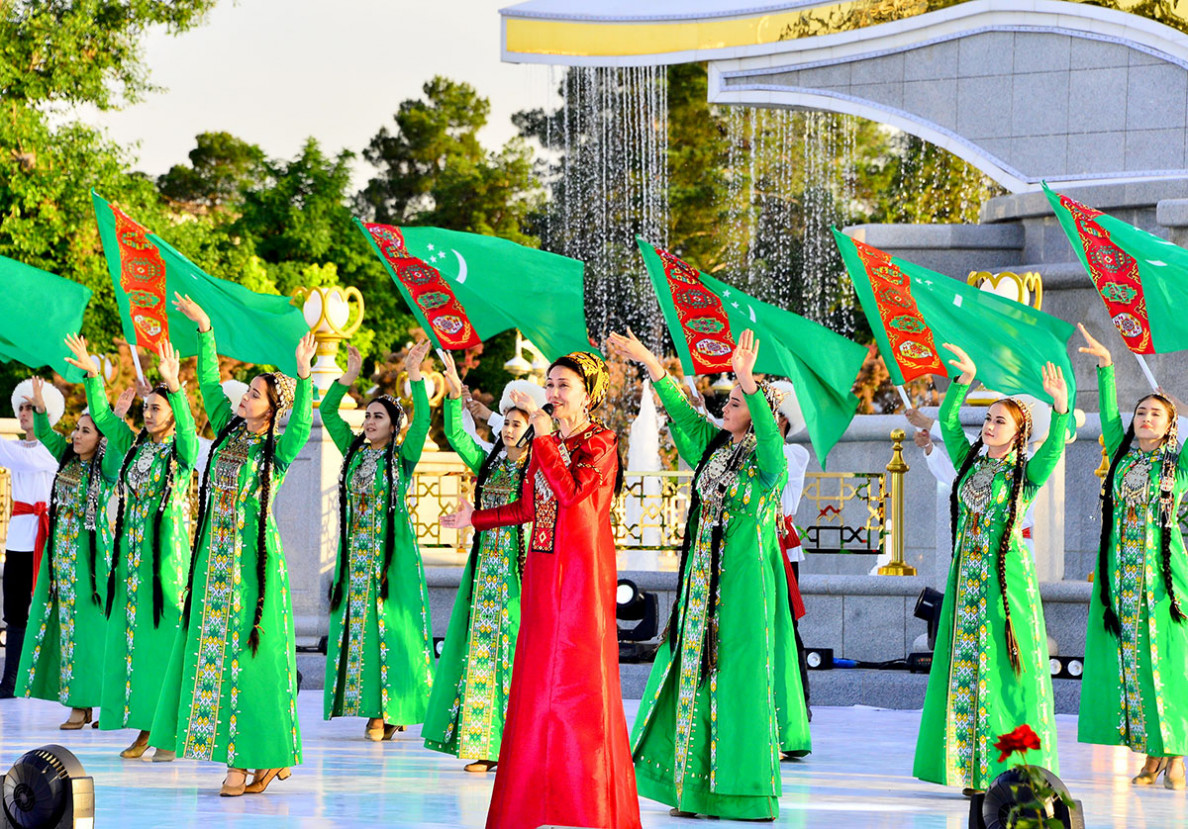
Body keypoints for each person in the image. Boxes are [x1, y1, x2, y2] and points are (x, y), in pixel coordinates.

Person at [609, 329, 809, 821]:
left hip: (742, 589)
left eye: (737, 400)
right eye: (731, 397)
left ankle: (739, 792)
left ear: (769, 416)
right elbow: (682, 412)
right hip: (700, 587)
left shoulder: (772, 462)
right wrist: (651, 364)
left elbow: (765, 435)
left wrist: (750, 381)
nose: (728, 404)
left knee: (735, 681)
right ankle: (692, 791)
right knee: (694, 677)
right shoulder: (716, 448)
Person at [441, 350, 641, 829]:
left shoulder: (601, 442)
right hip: (541, 574)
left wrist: (547, 443)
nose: (552, 394)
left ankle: (587, 806)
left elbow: (572, 494)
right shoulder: (545, 445)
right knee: (535, 690)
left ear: (589, 395)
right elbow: (527, 508)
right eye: (549, 384)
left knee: (578, 691)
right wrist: (475, 517)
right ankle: (534, 802)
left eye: (563, 386)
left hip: (581, 581)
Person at [149, 292, 316, 797]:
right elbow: (204, 385)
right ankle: (248, 757)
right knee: (212, 653)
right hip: (211, 563)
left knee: (252, 658)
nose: (244, 398)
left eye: (255, 396)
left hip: (254, 566)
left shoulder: (278, 448)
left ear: (273, 409)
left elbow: (304, 423)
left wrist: (305, 378)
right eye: (246, 393)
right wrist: (204, 331)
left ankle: (247, 763)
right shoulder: (228, 432)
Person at [913, 344, 1070, 794]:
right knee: (967, 668)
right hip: (966, 583)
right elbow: (946, 423)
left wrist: (1060, 410)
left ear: (1019, 433)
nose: (989, 426)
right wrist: (962, 384)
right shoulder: (971, 464)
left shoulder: (1026, 472)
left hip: (1007, 585)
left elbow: (1056, 444)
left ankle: (1013, 766)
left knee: (1005, 668)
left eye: (1000, 420)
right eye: (987, 419)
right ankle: (972, 766)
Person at [65, 335, 197, 760]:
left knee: (162, 643)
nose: (148, 411)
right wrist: (91, 373)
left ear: (173, 415)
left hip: (166, 564)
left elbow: (192, 433)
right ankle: (144, 727)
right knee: (136, 644)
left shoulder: (182, 450)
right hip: (131, 562)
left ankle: (168, 730)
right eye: (147, 407)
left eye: (156, 408)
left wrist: (173, 386)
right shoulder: (133, 446)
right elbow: (103, 416)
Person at [1077, 324, 1188, 789]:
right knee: (1134, 664)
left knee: (1169, 662)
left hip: (1165, 579)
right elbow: (1106, 415)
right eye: (1141, 411)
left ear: (1170, 425)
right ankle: (1149, 756)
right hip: (1121, 580)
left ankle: (1176, 753)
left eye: (1155, 413)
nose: (1145, 418)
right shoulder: (1122, 459)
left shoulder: (1176, 464)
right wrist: (1106, 367)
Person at [423, 353, 544, 772]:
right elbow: (458, 436)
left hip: (517, 570)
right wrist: (455, 388)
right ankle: (484, 742)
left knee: (509, 652)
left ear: (532, 430)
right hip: (484, 570)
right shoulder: (491, 461)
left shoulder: (536, 467)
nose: (509, 430)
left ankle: (511, 743)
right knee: (481, 648)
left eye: (517, 424)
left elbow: (528, 514)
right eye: (506, 423)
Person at [320, 341, 434, 740]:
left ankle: (390, 710)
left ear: (393, 424)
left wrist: (415, 376)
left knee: (393, 629)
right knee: (362, 628)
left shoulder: (401, 457)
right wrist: (346, 380)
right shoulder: (353, 453)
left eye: (378, 417)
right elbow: (327, 413)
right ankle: (372, 708)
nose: (369, 422)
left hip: (392, 558)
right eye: (367, 415)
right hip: (355, 557)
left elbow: (422, 425)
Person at [15, 377, 118, 728]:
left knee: (89, 632)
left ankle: (85, 703)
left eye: (85, 431)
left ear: (100, 439)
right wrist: (40, 407)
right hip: (59, 556)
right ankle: (80, 702)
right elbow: (46, 434)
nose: (76, 435)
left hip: (89, 560)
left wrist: (111, 416)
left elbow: (118, 448)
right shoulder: (67, 460)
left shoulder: (103, 469)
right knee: (65, 629)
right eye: (76, 429)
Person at [0, 379, 64, 699]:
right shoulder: (18, 450)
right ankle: (10, 680)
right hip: (19, 536)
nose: (24, 413)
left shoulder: (51, 449)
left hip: (46, 538)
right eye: (21, 407)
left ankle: (49, 680)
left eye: (31, 407)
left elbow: (19, 458)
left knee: (48, 606)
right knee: (14, 608)